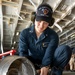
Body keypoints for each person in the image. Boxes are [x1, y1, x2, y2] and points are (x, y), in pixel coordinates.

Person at [18, 3, 72, 75]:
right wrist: (27, 69)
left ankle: (54, 73)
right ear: (34, 18)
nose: (41, 26)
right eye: (39, 21)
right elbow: (22, 53)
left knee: (65, 49)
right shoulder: (25, 33)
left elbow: (49, 53)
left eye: (45, 23)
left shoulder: (53, 35)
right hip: (32, 63)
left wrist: (45, 66)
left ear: (50, 23)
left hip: (49, 62)